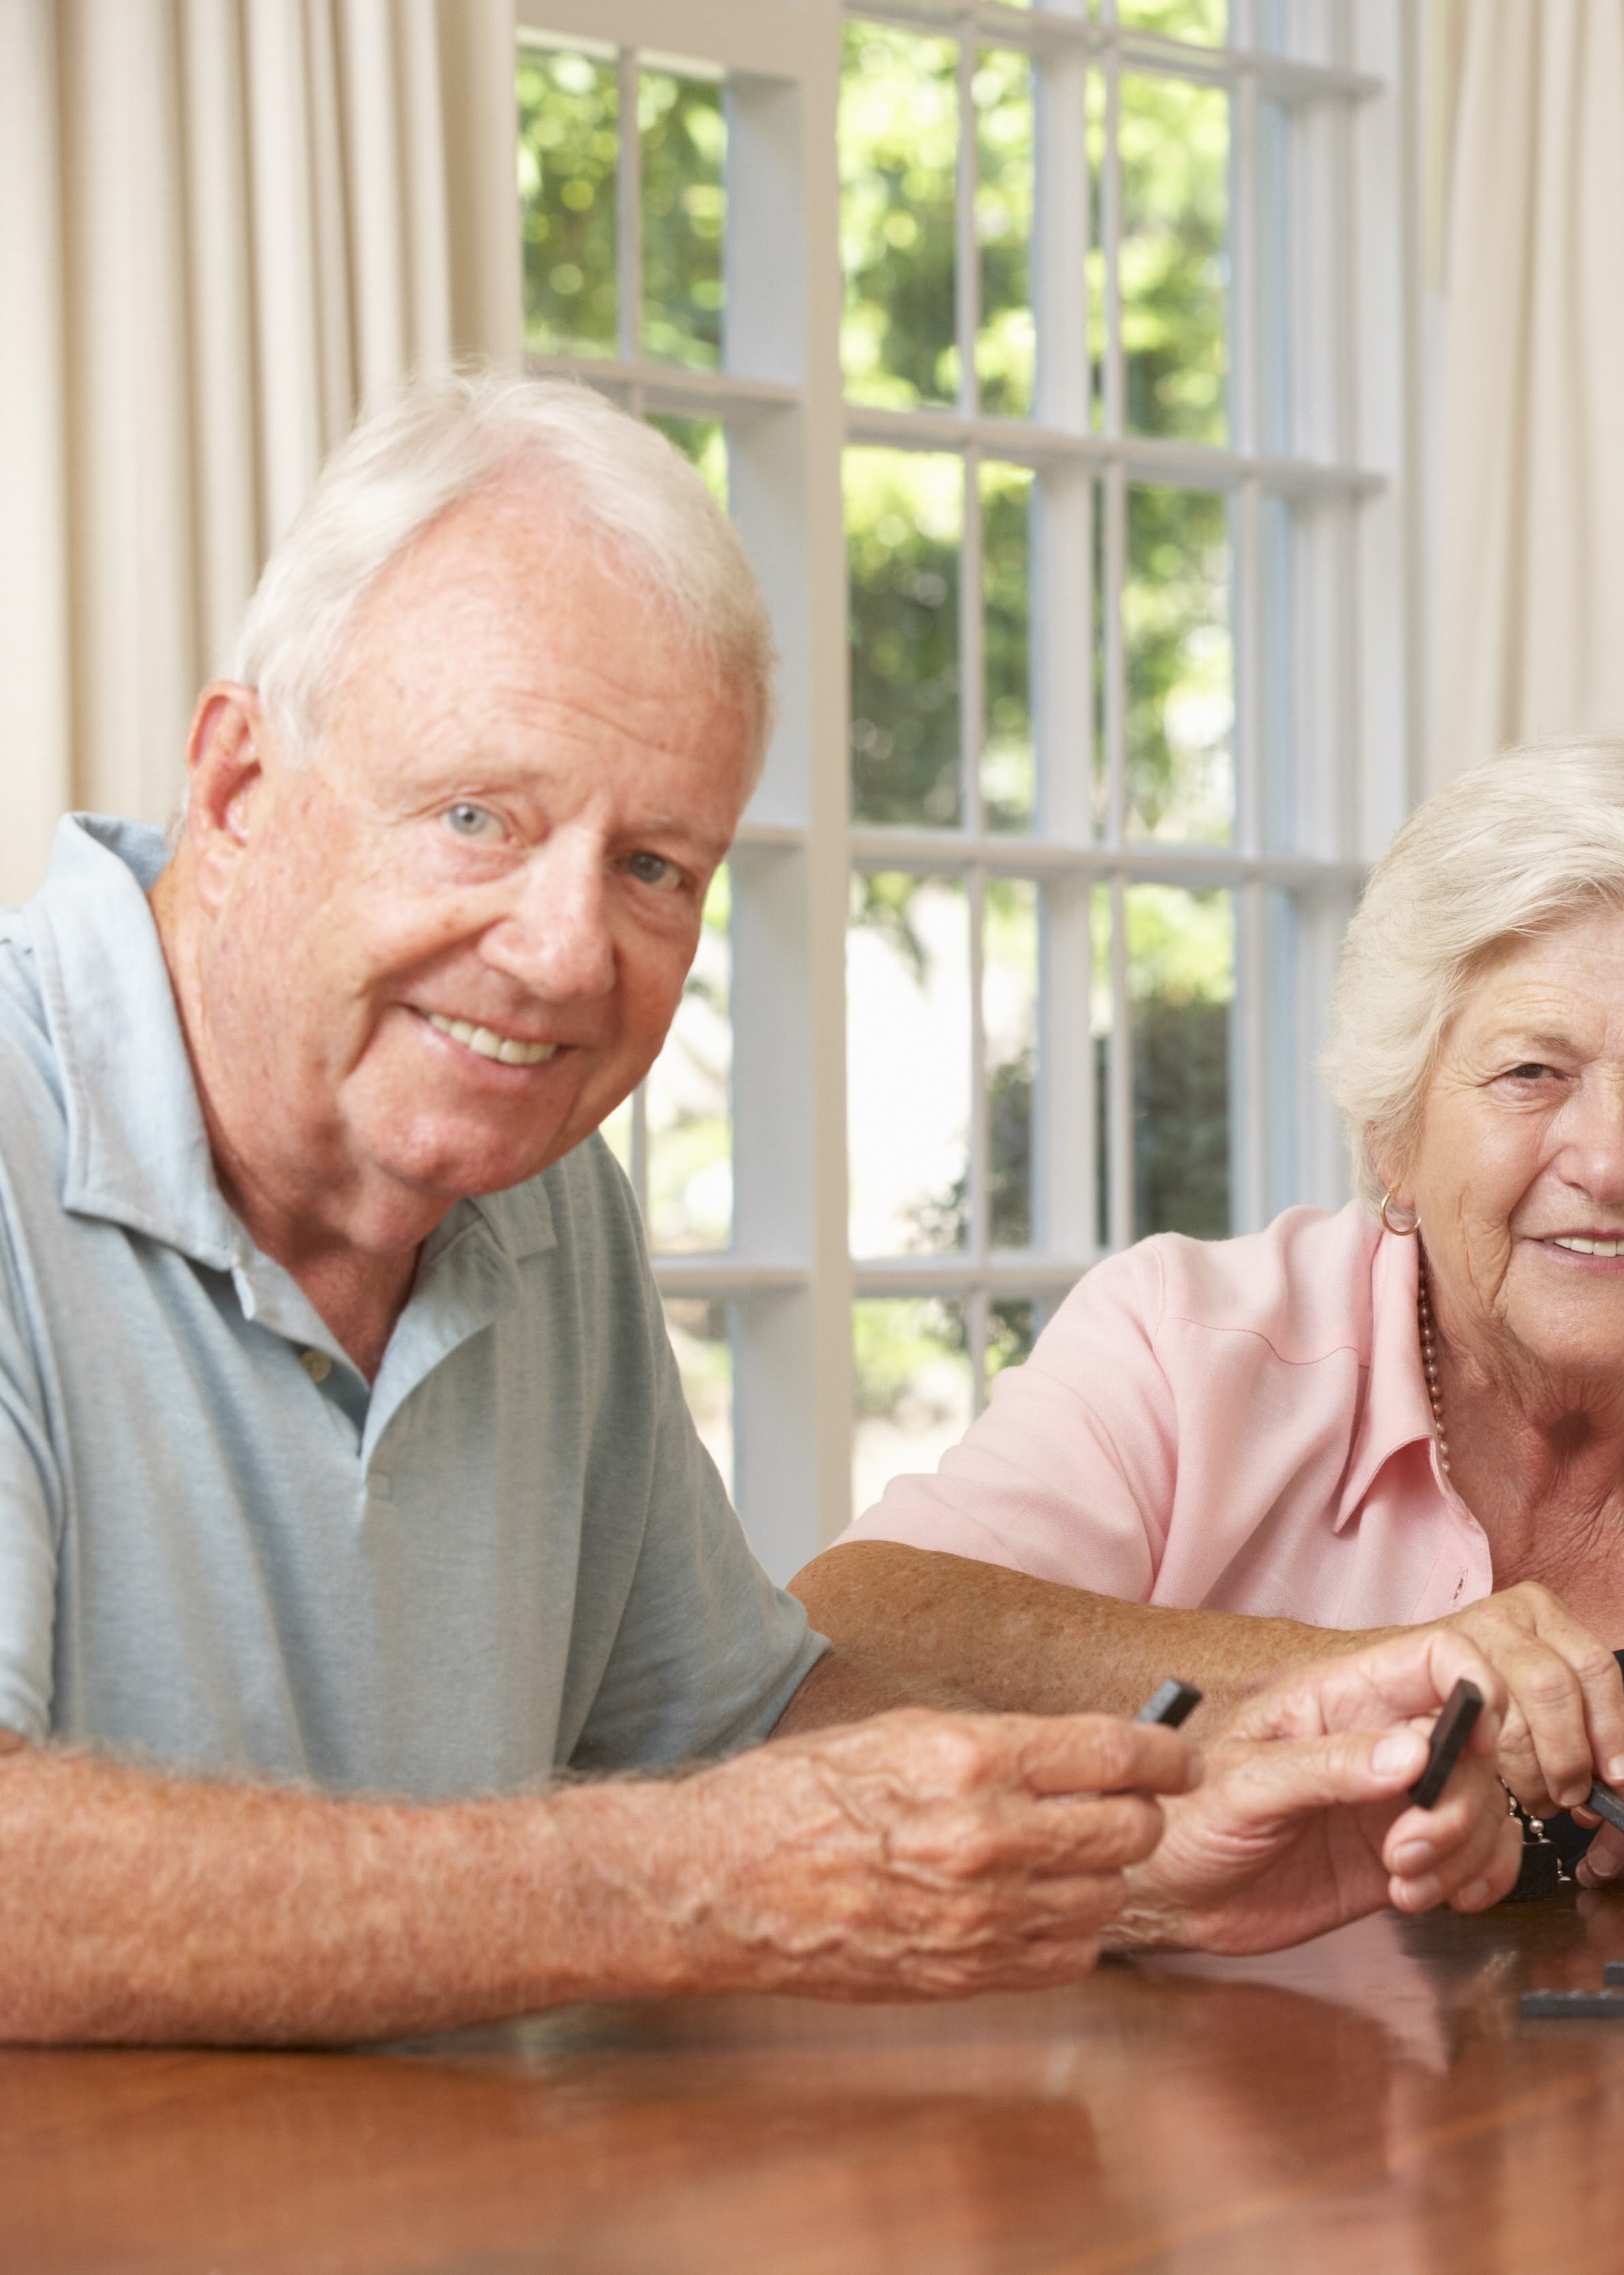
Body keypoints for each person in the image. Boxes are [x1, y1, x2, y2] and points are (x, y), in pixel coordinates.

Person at [0, 372, 1516, 2046]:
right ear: (235, 787)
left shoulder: (543, 1190)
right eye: (477, 819)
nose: (569, 953)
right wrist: (677, 1878)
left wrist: (1150, 1845)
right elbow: (707, 1844)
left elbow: (730, 1730)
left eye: (655, 866)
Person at [794, 738, 1624, 1885]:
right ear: (1392, 1136)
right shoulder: (1184, 1352)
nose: (1608, 1159)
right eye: (1533, 1071)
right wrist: (1361, 1676)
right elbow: (846, 1632)